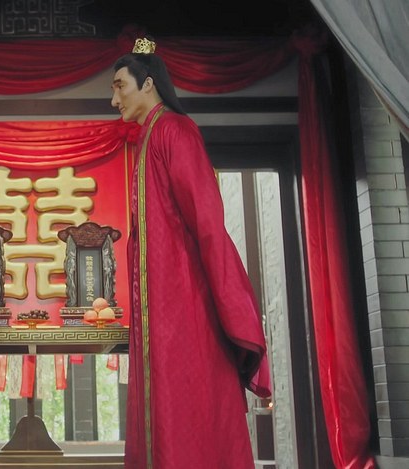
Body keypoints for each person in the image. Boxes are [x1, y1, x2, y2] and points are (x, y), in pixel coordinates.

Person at [112, 38, 272, 468]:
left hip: (185, 303)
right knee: (163, 406)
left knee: (191, 404)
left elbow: (207, 221)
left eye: (120, 86)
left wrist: (230, 302)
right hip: (161, 307)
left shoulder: (175, 132)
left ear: (148, 83)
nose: (114, 99)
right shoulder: (148, 138)